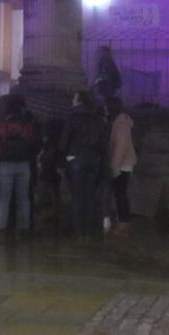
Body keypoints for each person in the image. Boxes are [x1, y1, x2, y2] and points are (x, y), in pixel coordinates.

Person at [61, 89, 107, 240]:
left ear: (79, 100)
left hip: (76, 158)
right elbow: (103, 142)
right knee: (89, 195)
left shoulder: (72, 117)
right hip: (94, 160)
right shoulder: (97, 119)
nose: (72, 101)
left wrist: (65, 157)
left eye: (74, 98)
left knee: (77, 196)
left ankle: (78, 232)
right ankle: (89, 231)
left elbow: (64, 141)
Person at [0, 94, 38, 238]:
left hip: (6, 163)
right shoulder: (27, 124)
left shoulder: (4, 124)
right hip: (23, 163)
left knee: (4, 198)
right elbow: (33, 141)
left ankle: (1, 228)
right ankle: (25, 228)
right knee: (23, 197)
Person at [106, 97, 137, 237]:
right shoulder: (122, 122)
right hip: (124, 163)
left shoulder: (120, 124)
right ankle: (123, 221)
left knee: (120, 194)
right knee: (121, 194)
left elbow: (120, 147)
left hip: (122, 164)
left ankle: (124, 222)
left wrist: (114, 167)